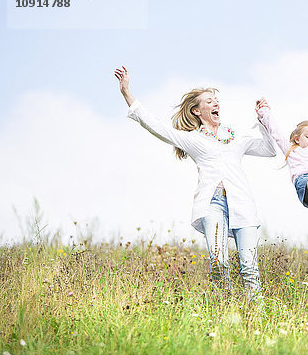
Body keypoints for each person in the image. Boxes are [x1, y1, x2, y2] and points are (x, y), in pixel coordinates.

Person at [114, 66, 275, 298]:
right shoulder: (193, 139)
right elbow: (156, 127)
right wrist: (127, 93)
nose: (215, 104)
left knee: (249, 267)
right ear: (197, 111)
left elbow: (270, 150)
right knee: (219, 264)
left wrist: (263, 119)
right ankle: (222, 313)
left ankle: (256, 316)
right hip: (213, 205)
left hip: (243, 204)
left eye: (216, 101)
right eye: (209, 101)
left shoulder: (236, 137)